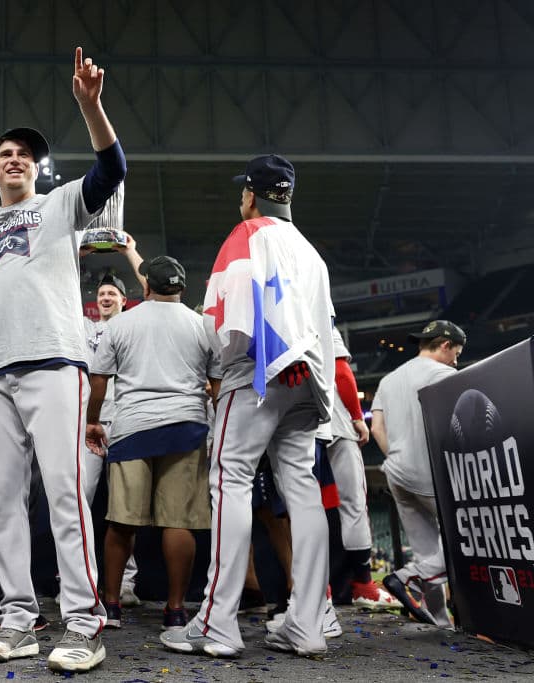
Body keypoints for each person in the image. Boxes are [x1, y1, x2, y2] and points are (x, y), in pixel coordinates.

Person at [0, 47, 125, 672]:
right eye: (6, 153)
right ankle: (20, 617)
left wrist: (90, 105)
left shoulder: (61, 204)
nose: (15, 158)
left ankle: (83, 623)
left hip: (56, 360)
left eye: (25, 153)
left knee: (62, 494)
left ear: (35, 167)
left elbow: (112, 167)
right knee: (2, 500)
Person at [162, 153, 335, 658]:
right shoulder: (311, 251)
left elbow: (228, 323)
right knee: (302, 490)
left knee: (230, 480)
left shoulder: (247, 234)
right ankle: (308, 623)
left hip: (258, 372)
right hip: (309, 379)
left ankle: (217, 623)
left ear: (251, 195)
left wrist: (237, 359)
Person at [86, 255, 215, 631]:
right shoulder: (202, 325)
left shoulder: (123, 323)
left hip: (132, 427)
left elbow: (98, 381)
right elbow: (218, 386)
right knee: (179, 523)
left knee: (122, 522)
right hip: (187, 428)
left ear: (146, 288)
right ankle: (175, 610)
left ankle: (111, 606)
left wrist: (93, 421)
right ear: (182, 288)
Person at [371, 320, 465, 628]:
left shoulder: (388, 379)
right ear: (445, 345)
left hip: (396, 471)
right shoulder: (445, 375)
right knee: (466, 541)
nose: (457, 360)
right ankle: (407, 577)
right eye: (456, 352)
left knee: (426, 546)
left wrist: (398, 457)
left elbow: (376, 429)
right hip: (431, 472)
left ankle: (438, 620)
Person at [80, 241, 146, 608]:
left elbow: (154, 288)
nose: (105, 297)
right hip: (88, 426)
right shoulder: (84, 328)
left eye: (112, 293)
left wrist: (128, 253)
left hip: (123, 423)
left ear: (124, 300)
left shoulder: (133, 326)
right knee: (81, 502)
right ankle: (80, 576)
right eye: (102, 292)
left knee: (125, 507)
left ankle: (126, 583)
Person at [326, 329, 401, 610]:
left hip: (293, 429)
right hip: (334, 425)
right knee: (353, 504)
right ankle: (362, 584)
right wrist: (357, 416)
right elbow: (341, 372)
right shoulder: (317, 309)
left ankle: (323, 588)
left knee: (310, 508)